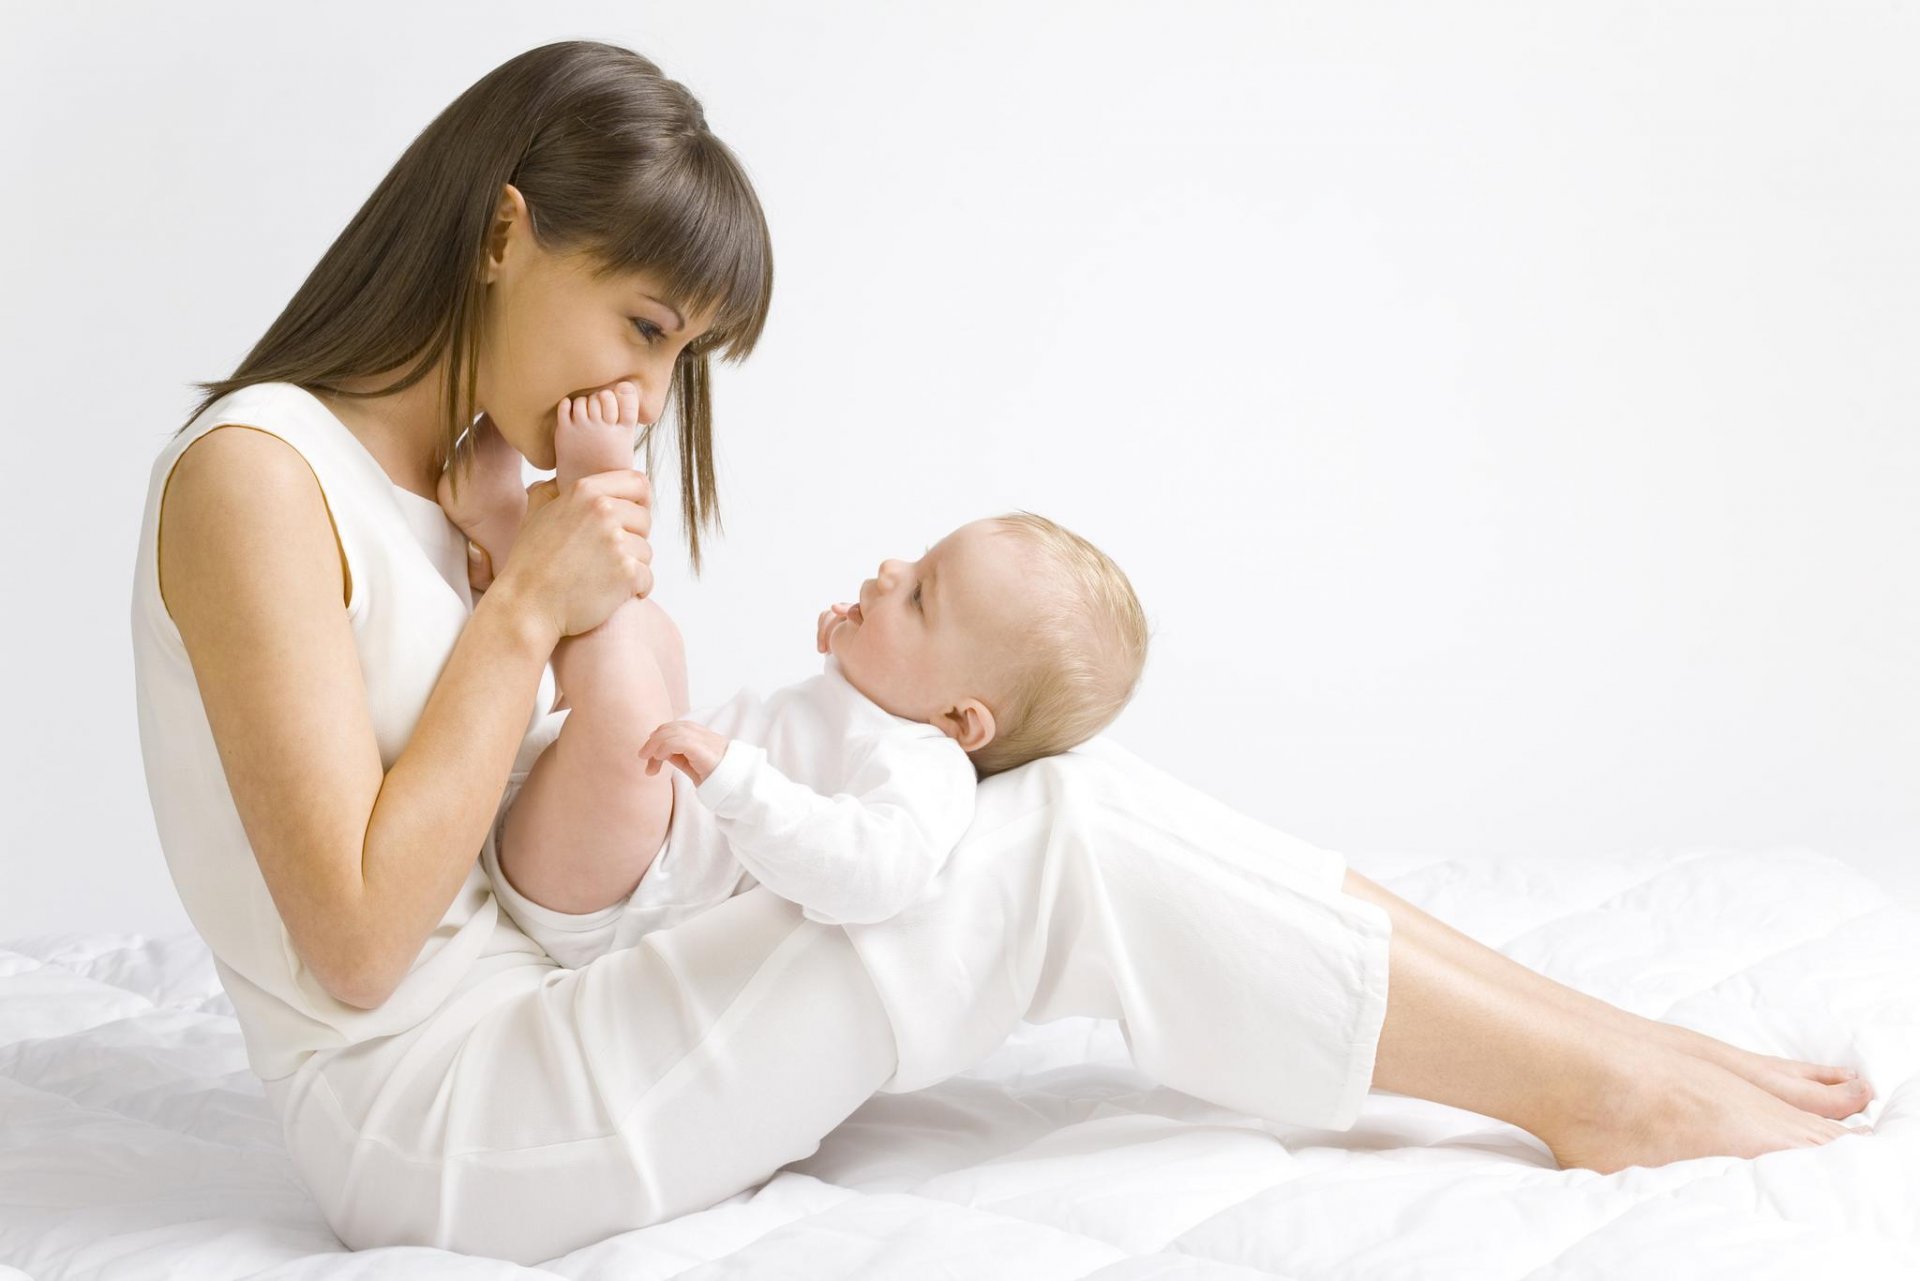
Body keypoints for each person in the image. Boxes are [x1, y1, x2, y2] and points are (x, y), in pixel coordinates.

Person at [129, 40, 1874, 1265]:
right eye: (645, 325)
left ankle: (1596, 1038)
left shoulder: (474, 476)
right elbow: (358, 944)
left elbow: (576, 839)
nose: (649, 399)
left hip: (561, 999)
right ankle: (1603, 1086)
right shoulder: (254, 481)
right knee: (1056, 845)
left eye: (684, 356)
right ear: (504, 230)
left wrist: (549, 586)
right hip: (445, 1125)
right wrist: (528, 608)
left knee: (1057, 784)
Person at [438, 379, 1153, 949]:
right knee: (658, 638)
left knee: (629, 708)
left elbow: (871, 873)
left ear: (960, 718)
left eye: (921, 596)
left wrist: (735, 778)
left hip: (615, 895)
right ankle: (517, 543)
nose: (892, 567)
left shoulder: (926, 770)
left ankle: (575, 497)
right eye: (920, 556)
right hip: (614, 828)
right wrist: (855, 642)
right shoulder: (893, 700)